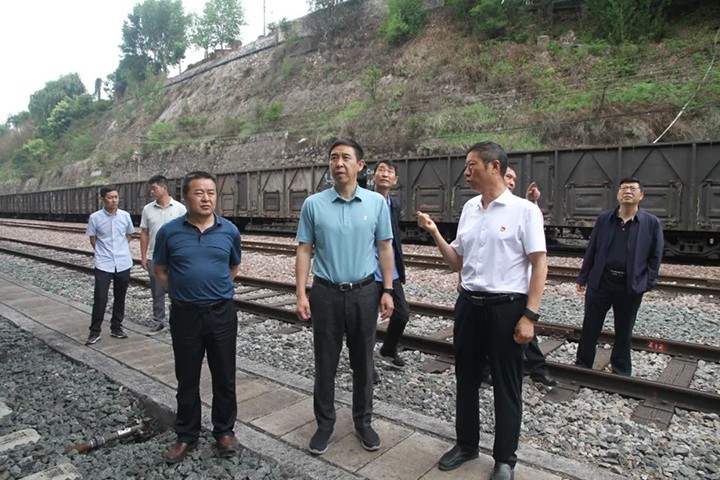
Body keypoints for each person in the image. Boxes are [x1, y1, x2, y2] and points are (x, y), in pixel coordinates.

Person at [417, 141, 547, 480]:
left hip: (507, 308)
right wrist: (435, 234)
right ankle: (466, 445)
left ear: (494, 167)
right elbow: (456, 263)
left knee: (507, 385)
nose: (466, 171)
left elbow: (539, 264)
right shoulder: (470, 209)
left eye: (471, 164)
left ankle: (505, 459)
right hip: (469, 306)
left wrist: (530, 315)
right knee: (466, 379)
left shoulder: (524, 210)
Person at [295, 138, 395, 456]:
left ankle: (363, 423)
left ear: (360, 165)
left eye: (346, 157)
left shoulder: (376, 203)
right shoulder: (313, 204)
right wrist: (301, 293)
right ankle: (324, 425)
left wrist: (388, 289)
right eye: (334, 157)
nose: (339, 163)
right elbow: (304, 249)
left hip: (364, 292)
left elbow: (385, 247)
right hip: (325, 292)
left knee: (363, 362)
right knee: (325, 362)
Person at [153, 171, 242, 463]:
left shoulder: (229, 231)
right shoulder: (169, 232)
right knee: (187, 377)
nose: (206, 198)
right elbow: (160, 269)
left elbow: (233, 267)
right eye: (199, 192)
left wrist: (214, 291)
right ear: (185, 197)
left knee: (224, 375)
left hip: (221, 314)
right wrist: (181, 290)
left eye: (211, 192)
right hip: (185, 315)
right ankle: (186, 435)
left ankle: (224, 431)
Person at [575, 177, 663, 376]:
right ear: (618, 194)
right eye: (624, 188)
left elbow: (655, 255)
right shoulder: (605, 219)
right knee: (590, 326)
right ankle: (582, 365)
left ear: (641, 195)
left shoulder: (651, 223)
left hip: (629, 286)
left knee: (624, 330)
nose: (627, 191)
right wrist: (583, 276)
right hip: (601, 282)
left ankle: (621, 371)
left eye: (632, 188)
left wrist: (648, 282)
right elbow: (592, 249)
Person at [85, 185, 135, 346]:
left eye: (116, 197)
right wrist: (102, 252)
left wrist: (121, 248)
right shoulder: (95, 218)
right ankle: (94, 331)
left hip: (123, 262)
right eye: (110, 197)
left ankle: (116, 327)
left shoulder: (125, 216)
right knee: (100, 297)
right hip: (103, 263)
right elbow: (93, 239)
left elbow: (129, 234)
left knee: (120, 297)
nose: (114, 200)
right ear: (102, 199)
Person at [372, 160, 410, 369]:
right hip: (369, 272)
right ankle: (364, 362)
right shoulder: (365, 201)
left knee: (402, 314)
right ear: (374, 176)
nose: (385, 174)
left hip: (390, 271)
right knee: (367, 321)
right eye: (381, 170)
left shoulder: (393, 205)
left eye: (389, 171)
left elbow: (393, 240)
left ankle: (388, 349)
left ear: (395, 180)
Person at [139, 175, 186, 335]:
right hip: (155, 257)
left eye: (154, 188)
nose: (151, 192)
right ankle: (159, 321)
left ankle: (178, 321)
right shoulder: (147, 209)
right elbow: (144, 233)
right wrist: (143, 256)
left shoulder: (180, 209)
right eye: (150, 189)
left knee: (178, 291)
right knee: (157, 292)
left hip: (176, 258)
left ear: (164, 188)